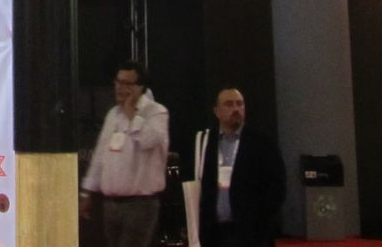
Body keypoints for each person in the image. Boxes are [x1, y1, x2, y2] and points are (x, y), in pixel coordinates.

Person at [80, 62, 170, 246]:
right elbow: (100, 156)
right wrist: (86, 192)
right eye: (118, 82)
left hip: (140, 205)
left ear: (140, 87)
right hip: (111, 204)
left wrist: (131, 113)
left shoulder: (156, 112)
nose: (120, 87)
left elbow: (149, 140)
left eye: (127, 84)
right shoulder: (113, 114)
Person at [192, 87, 286, 247]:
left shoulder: (262, 142)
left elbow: (278, 186)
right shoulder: (205, 142)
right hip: (214, 233)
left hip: (252, 234)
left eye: (239, 104)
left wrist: (262, 221)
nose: (236, 109)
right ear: (217, 111)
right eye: (229, 104)